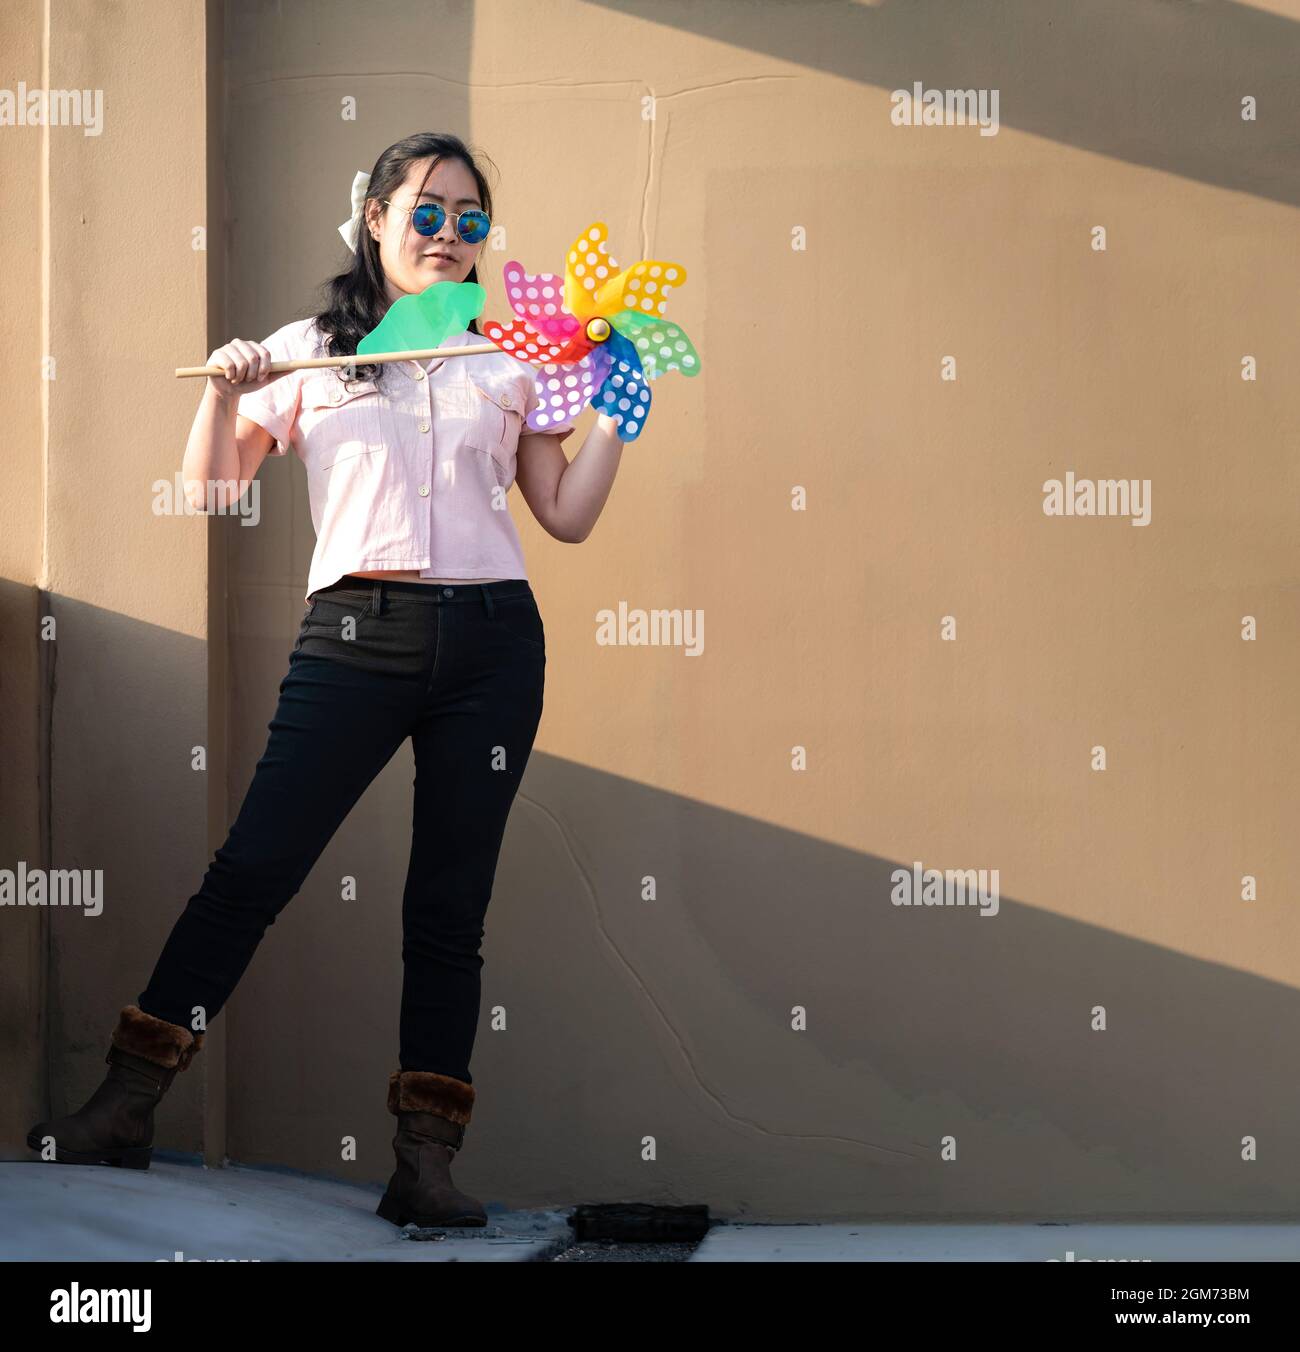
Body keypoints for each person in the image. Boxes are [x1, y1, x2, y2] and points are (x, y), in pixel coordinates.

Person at [27, 131, 628, 1229]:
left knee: (449, 908)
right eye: (427, 211)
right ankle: (125, 1104)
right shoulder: (305, 349)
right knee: (254, 866)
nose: (450, 234)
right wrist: (222, 390)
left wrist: (618, 410)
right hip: (356, 630)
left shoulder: (509, 355)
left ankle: (424, 1164)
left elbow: (569, 515)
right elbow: (211, 493)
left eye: (470, 218)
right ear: (374, 219)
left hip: (494, 640)